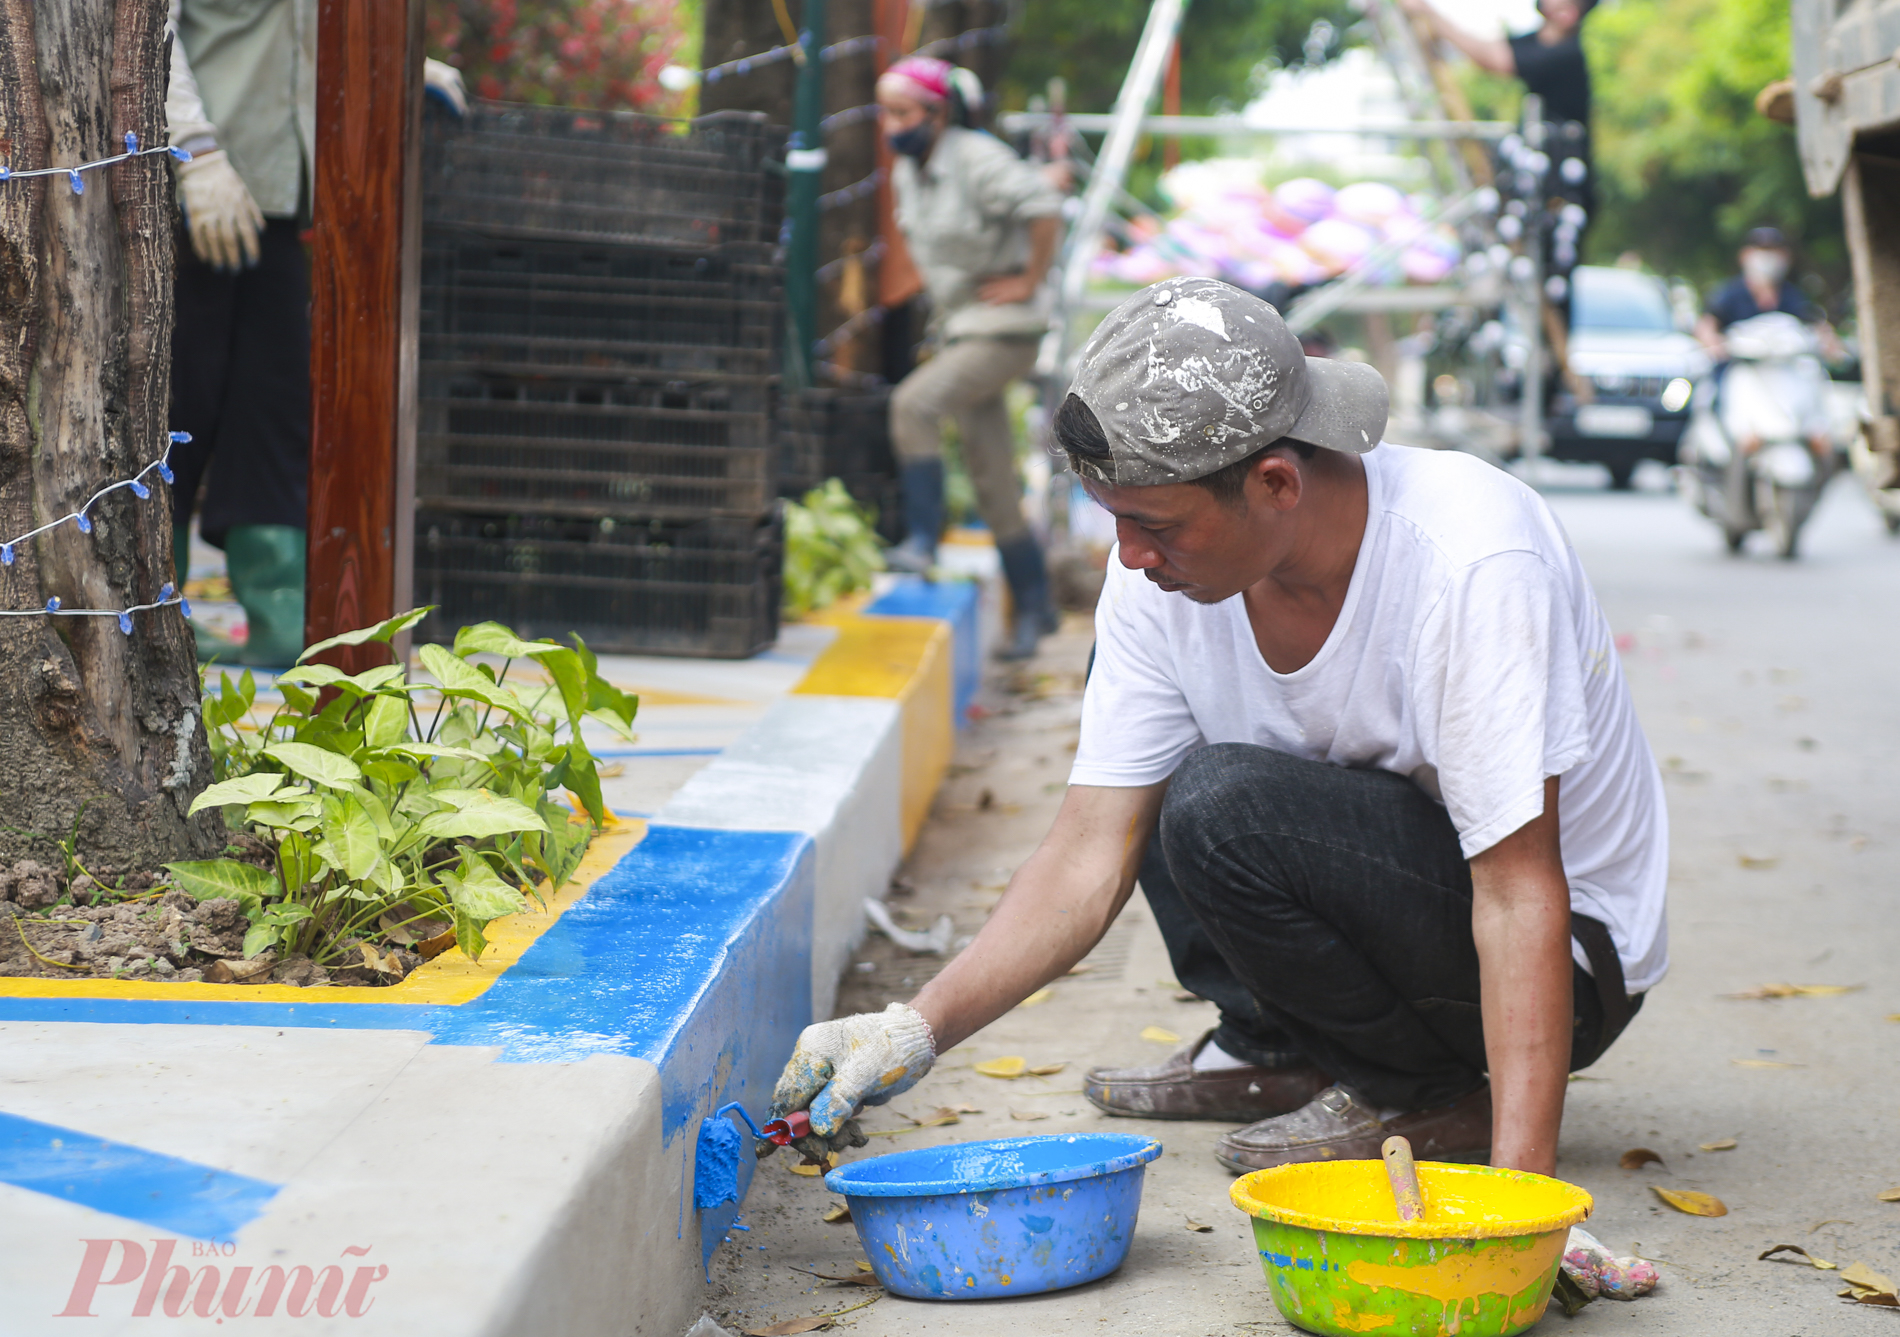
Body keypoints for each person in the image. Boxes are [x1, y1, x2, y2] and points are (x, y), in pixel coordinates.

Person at [761, 277, 1667, 1176]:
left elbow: (1518, 894)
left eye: (1154, 527)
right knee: (1151, 748)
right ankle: (1284, 1048)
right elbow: (1088, 850)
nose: (1130, 557)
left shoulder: (1472, 561)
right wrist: (913, 1028)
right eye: (1115, 522)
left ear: (1276, 482)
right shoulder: (1160, 567)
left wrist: (1522, 1198)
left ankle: (1427, 1092)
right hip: (1397, 886)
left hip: (1564, 959)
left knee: (1221, 800)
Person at [165, 0, 465, 665]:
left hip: (272, 198)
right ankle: (155, 614)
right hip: (188, 192)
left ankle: (279, 617)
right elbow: (144, 33)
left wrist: (399, 65)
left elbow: (305, 29)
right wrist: (193, 151)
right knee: (174, 411)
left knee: (276, 409)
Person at [878, 56, 1064, 660]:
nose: (891, 126)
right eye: (885, 113)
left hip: (1006, 331)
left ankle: (923, 539)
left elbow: (1044, 205)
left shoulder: (976, 157)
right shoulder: (912, 170)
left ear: (937, 113)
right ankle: (1037, 610)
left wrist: (1029, 278)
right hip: (965, 329)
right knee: (992, 480)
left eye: (903, 113)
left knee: (914, 404)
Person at [1398, 0, 1593, 127]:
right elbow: (1491, 48)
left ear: (1569, 14)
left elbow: (1493, 59)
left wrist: (1428, 12)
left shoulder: (1567, 54)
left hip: (1560, 184)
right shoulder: (1535, 41)